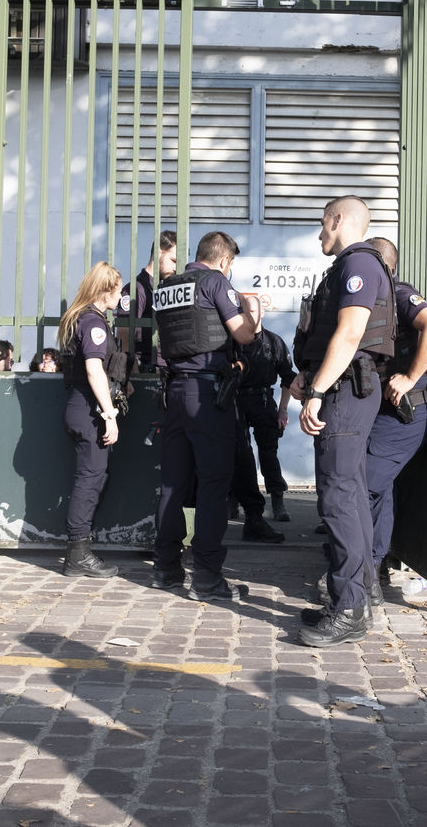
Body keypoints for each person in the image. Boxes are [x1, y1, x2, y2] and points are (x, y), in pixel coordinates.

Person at [291, 195, 395, 646]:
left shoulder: (359, 263)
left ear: (337, 220)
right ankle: (357, 598)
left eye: (322, 223)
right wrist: (309, 375)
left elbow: (351, 333)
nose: (320, 233)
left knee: (337, 498)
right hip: (346, 387)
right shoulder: (350, 266)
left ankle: (349, 607)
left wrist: (317, 391)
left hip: (346, 393)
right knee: (348, 495)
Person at [150, 230, 261, 600]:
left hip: (174, 392)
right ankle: (207, 577)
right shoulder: (215, 282)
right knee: (214, 484)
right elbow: (244, 335)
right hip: (207, 395)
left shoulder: (168, 286)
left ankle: (166, 569)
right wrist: (253, 314)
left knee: (172, 484)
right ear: (224, 260)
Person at [363, 237, 427, 585]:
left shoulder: (398, 294)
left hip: (402, 413)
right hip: (378, 411)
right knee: (377, 488)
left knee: (366, 485)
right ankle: (374, 565)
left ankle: (365, 568)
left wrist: (411, 377)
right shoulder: (370, 296)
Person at [53, 262, 127, 578]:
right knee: (90, 478)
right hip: (89, 409)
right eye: (118, 290)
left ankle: (80, 549)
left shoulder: (80, 317)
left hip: (81, 406)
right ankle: (78, 554)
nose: (120, 296)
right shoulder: (93, 322)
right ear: (105, 291)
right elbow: (94, 370)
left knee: (94, 477)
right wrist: (110, 415)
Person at [228, 314, 294, 539]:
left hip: (263, 400)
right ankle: (233, 501)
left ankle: (277, 501)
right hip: (235, 399)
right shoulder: (231, 340)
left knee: (268, 452)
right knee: (237, 454)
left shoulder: (273, 341)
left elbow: (288, 377)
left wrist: (283, 410)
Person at [116, 229, 177, 372]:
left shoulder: (163, 287)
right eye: (173, 260)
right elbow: (124, 334)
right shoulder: (136, 289)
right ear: (159, 252)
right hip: (144, 368)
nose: (175, 268)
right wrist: (134, 372)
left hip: (164, 368)